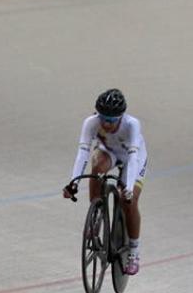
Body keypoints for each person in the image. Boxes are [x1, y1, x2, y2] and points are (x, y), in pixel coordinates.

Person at [63, 89, 148, 275]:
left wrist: (128, 189)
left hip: (133, 158)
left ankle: (134, 251)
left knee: (129, 200)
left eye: (112, 120)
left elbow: (133, 158)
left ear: (121, 116)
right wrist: (73, 182)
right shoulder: (91, 123)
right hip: (109, 151)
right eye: (103, 118)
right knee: (97, 166)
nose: (107, 124)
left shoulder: (132, 125)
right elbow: (83, 153)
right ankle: (96, 214)